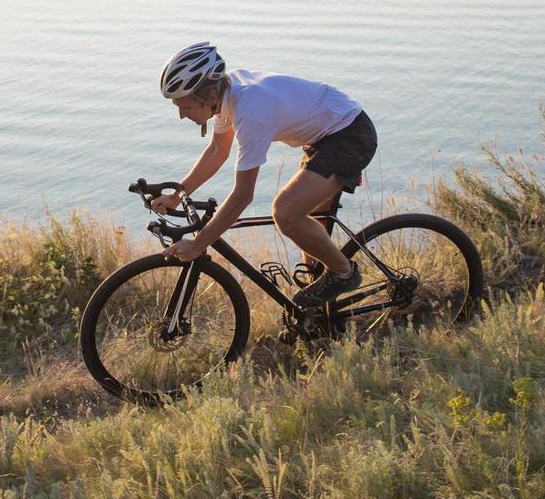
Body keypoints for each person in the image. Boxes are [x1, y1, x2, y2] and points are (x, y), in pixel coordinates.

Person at [150, 41, 378, 307]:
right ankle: (319, 314)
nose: (180, 115)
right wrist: (178, 195)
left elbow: (243, 195)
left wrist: (199, 244)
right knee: (308, 225)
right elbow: (217, 151)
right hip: (324, 134)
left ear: (209, 96)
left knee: (286, 213)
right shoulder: (226, 96)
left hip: (349, 135)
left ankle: (344, 274)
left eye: (185, 107)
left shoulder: (251, 111)